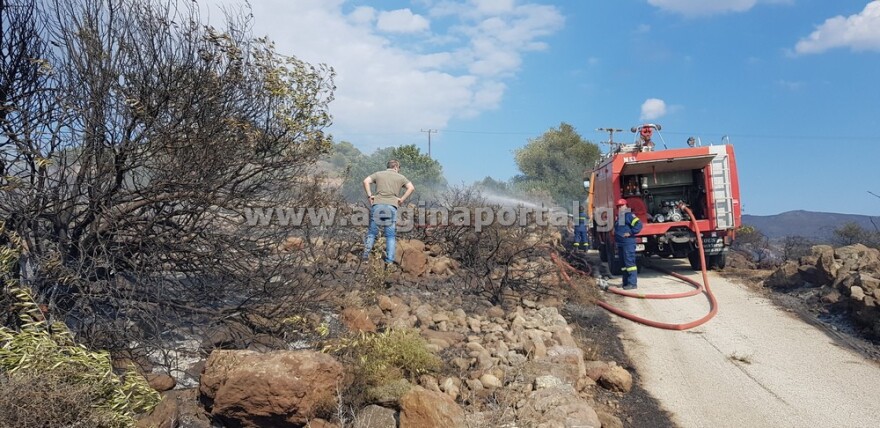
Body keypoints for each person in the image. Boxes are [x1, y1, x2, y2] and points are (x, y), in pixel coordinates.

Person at [362, 160, 415, 268]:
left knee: (372, 233)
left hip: (377, 205)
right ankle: (389, 261)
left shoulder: (378, 174)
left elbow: (365, 181)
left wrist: (369, 196)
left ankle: (365, 257)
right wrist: (401, 199)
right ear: (396, 167)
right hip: (391, 207)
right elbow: (411, 187)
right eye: (399, 168)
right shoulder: (400, 177)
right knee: (390, 236)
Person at [614, 198, 643, 290]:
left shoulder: (629, 215)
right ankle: (625, 282)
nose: (620, 208)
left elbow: (639, 224)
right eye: (618, 206)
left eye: (621, 206)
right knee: (623, 265)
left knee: (630, 263)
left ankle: (632, 283)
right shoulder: (620, 217)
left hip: (628, 243)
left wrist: (630, 232)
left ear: (626, 206)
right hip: (621, 244)